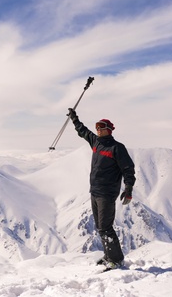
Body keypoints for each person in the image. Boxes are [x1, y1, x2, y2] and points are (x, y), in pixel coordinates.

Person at [67, 108, 136, 269]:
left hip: (107, 194)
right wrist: (74, 119)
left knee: (105, 227)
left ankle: (116, 260)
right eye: (97, 127)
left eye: (101, 127)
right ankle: (109, 256)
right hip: (95, 191)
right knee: (100, 226)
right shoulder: (96, 142)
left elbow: (128, 169)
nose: (98, 130)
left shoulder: (117, 148)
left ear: (109, 130)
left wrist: (128, 189)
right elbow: (83, 132)